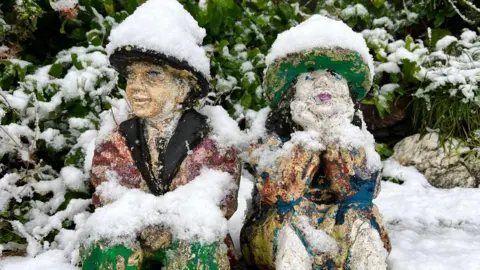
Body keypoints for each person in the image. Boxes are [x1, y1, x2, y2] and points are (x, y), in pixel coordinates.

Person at [81, 0, 240, 269]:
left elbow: (218, 195)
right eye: (132, 77)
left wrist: (173, 224)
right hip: (133, 237)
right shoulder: (115, 142)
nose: (137, 87)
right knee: (106, 246)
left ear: (183, 89)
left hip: (186, 237)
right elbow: (107, 189)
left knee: (200, 249)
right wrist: (141, 223)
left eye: (152, 75)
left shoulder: (213, 142)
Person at [240, 15, 391, 270]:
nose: (323, 82)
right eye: (309, 75)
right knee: (289, 235)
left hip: (341, 219)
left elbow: (363, 192)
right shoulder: (270, 130)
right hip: (283, 221)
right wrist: (307, 141)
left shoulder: (353, 129)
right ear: (292, 91)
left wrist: (337, 139)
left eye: (333, 74)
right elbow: (278, 192)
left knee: (364, 232)